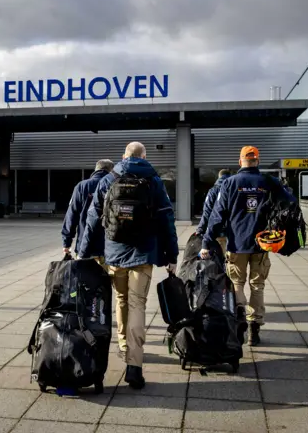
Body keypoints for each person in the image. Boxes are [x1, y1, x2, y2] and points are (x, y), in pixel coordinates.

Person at [78, 141, 179, 389]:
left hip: (114, 253)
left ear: (124, 156)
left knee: (121, 300)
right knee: (138, 304)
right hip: (144, 253)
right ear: (143, 156)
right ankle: (134, 365)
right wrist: (172, 255)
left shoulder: (108, 179)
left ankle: (123, 345)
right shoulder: (154, 181)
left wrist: (83, 253)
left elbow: (92, 218)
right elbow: (167, 219)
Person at [199, 146, 295, 346]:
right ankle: (254, 329)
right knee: (257, 286)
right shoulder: (270, 182)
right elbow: (290, 204)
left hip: (237, 244)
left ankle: (240, 321)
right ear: (257, 161)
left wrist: (207, 241)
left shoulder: (230, 183)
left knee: (237, 284)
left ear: (240, 161)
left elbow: (217, 216)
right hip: (262, 245)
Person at [61, 159, 114, 263]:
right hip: (109, 247)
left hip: (84, 246)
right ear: (111, 171)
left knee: (85, 278)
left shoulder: (82, 186)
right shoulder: (114, 185)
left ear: (96, 169)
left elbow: (71, 216)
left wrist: (66, 243)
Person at [196, 169, 232, 252]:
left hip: (218, 230)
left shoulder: (213, 190)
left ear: (219, 177)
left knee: (221, 257)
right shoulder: (234, 188)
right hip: (233, 231)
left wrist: (201, 229)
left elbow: (207, 211)